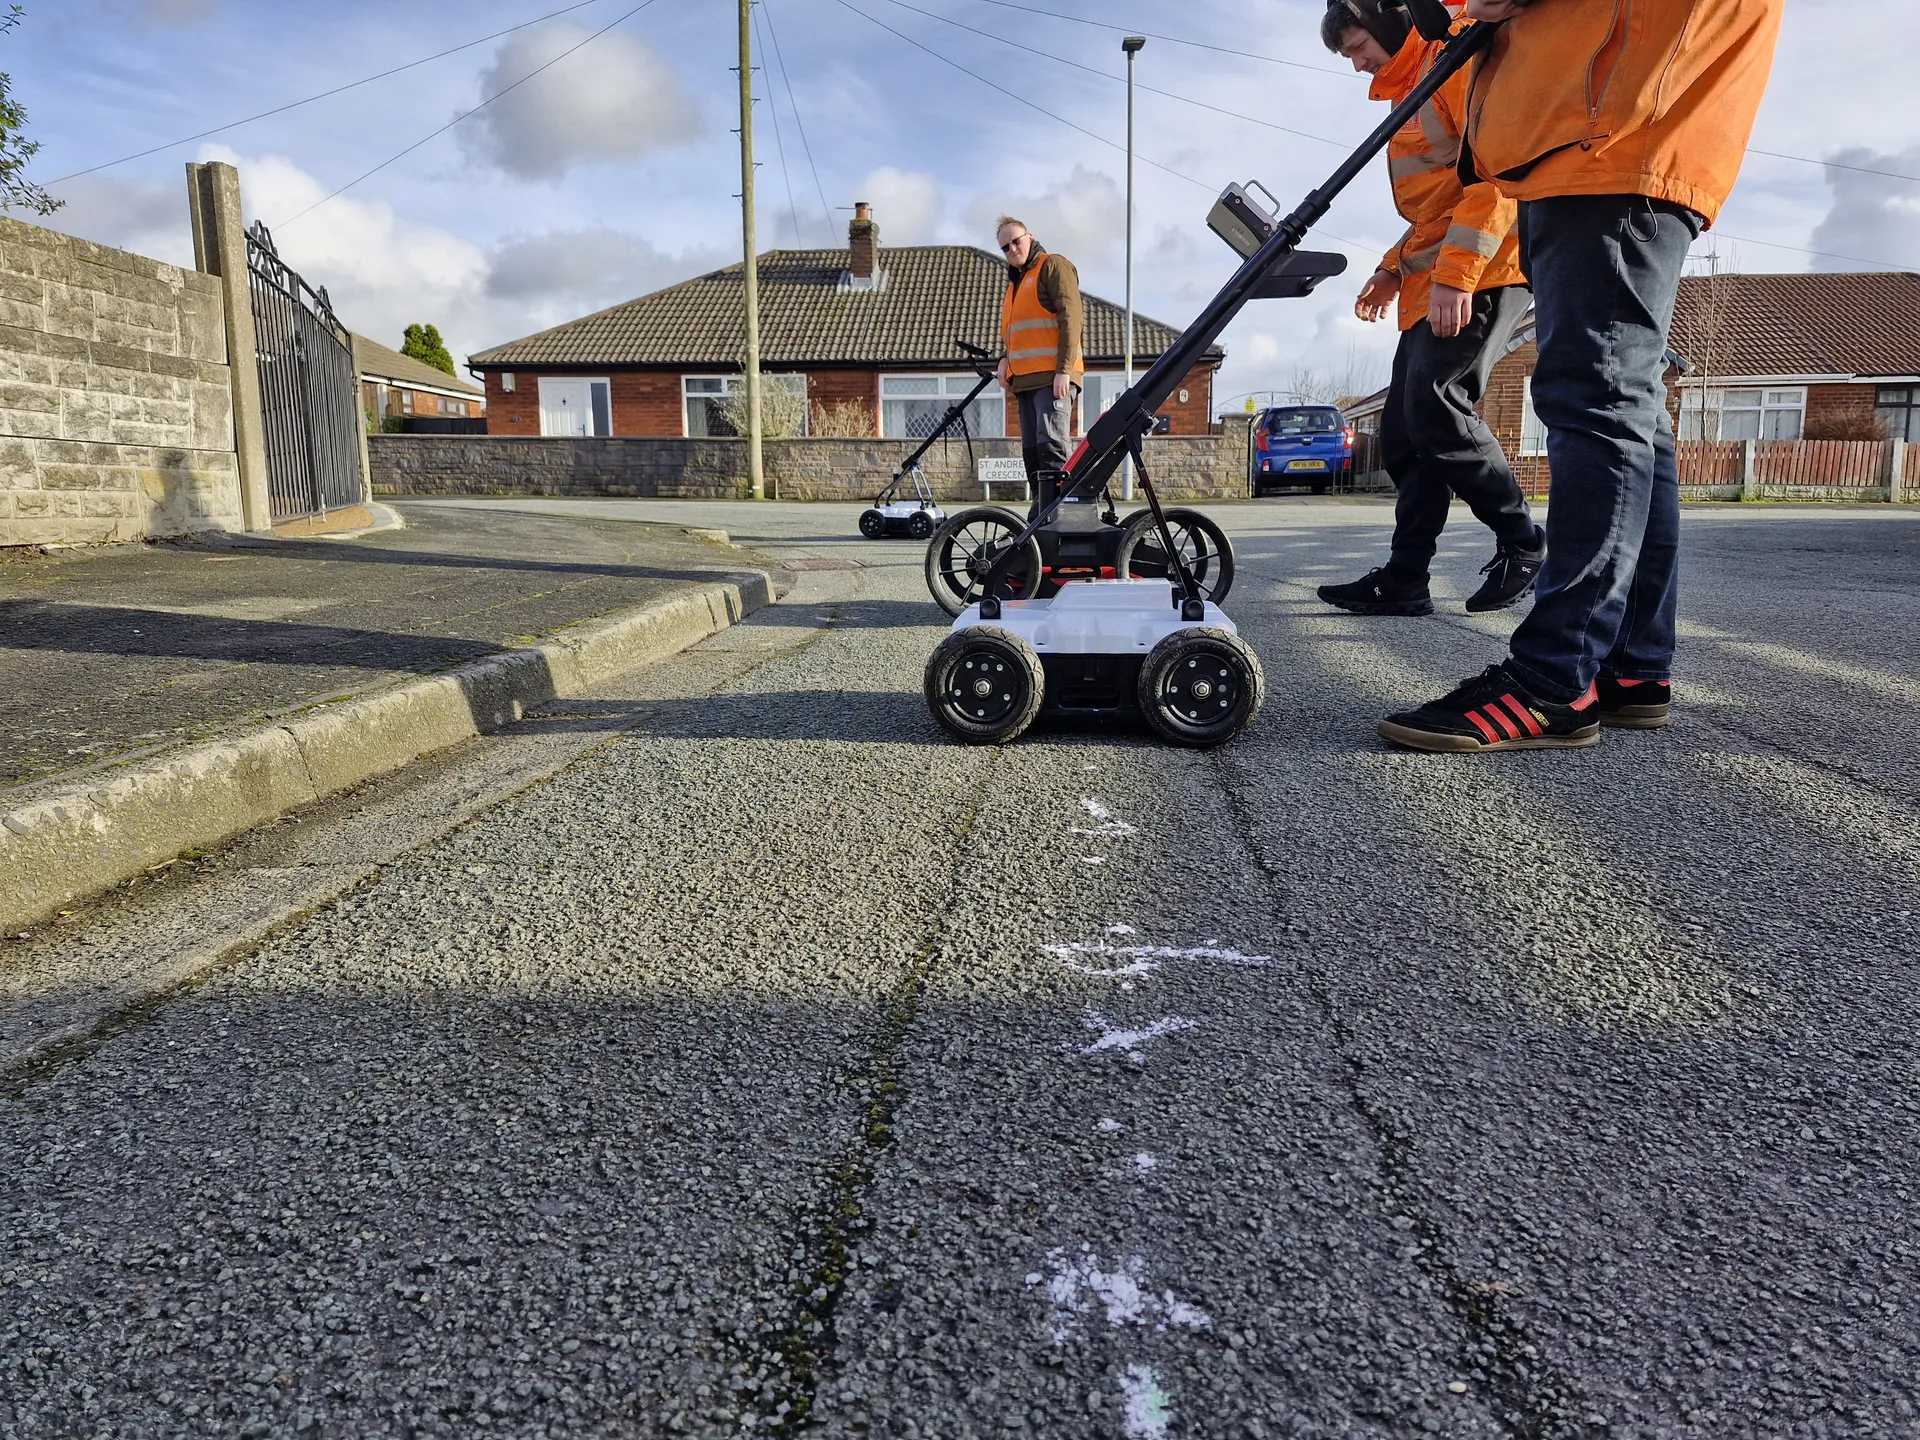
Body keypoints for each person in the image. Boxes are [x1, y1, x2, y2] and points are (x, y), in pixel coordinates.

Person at [1378, 0, 1783, 752]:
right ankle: (1633, 668)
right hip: (1583, 140)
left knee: (1594, 396)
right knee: (1624, 409)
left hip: (1614, 132)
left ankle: (1553, 680)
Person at [1317, 0, 1545, 618]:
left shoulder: (1455, 61)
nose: (1357, 63)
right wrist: (1394, 268)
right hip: (1437, 280)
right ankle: (1406, 578)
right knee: (1405, 431)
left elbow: (1493, 179)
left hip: (1488, 269)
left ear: (1389, 24)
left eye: (1359, 46)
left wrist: (1457, 277)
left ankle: (1524, 542)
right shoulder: (1410, 90)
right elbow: (1434, 209)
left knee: (1437, 405)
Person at [994, 217, 1085, 501]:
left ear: (1029, 237)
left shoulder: (1052, 266)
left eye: (1016, 241)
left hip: (1052, 378)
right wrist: (1004, 359)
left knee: (1052, 447)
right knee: (1032, 455)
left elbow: (1071, 318)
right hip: (1025, 383)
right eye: (1005, 247)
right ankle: (1042, 514)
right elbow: (1015, 334)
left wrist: (1064, 370)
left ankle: (1065, 514)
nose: (1012, 249)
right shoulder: (1014, 287)